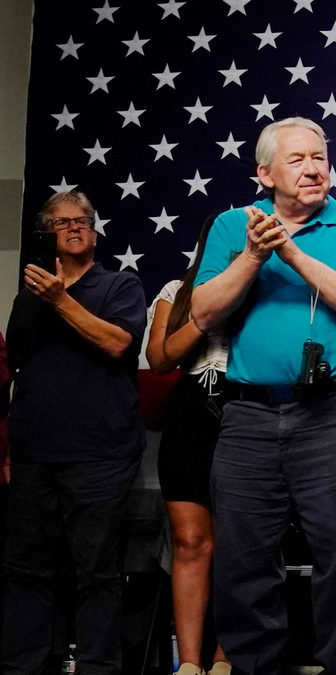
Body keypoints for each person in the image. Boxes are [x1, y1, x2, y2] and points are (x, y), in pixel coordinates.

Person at [191, 117, 336, 675]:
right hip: (249, 416)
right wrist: (254, 255)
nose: (313, 168)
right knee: (242, 562)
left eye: (319, 158)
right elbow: (202, 313)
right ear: (265, 174)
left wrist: (291, 252)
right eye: (297, 159)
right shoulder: (233, 226)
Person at [2, 191, 146, 674]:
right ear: (47, 235)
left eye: (83, 220)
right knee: (25, 566)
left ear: (95, 231)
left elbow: (118, 343)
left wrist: (60, 300)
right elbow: (17, 368)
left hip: (101, 452)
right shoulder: (27, 299)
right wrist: (10, 447)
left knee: (97, 568)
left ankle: (98, 666)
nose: (75, 227)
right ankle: (22, 665)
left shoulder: (120, 285)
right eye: (62, 223)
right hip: (34, 450)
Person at [144, 216, 231, 675]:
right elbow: (159, 359)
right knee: (190, 541)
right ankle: (190, 663)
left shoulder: (261, 286)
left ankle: (227, 660)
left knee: (240, 542)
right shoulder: (176, 291)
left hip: (244, 412)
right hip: (189, 417)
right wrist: (204, 315)